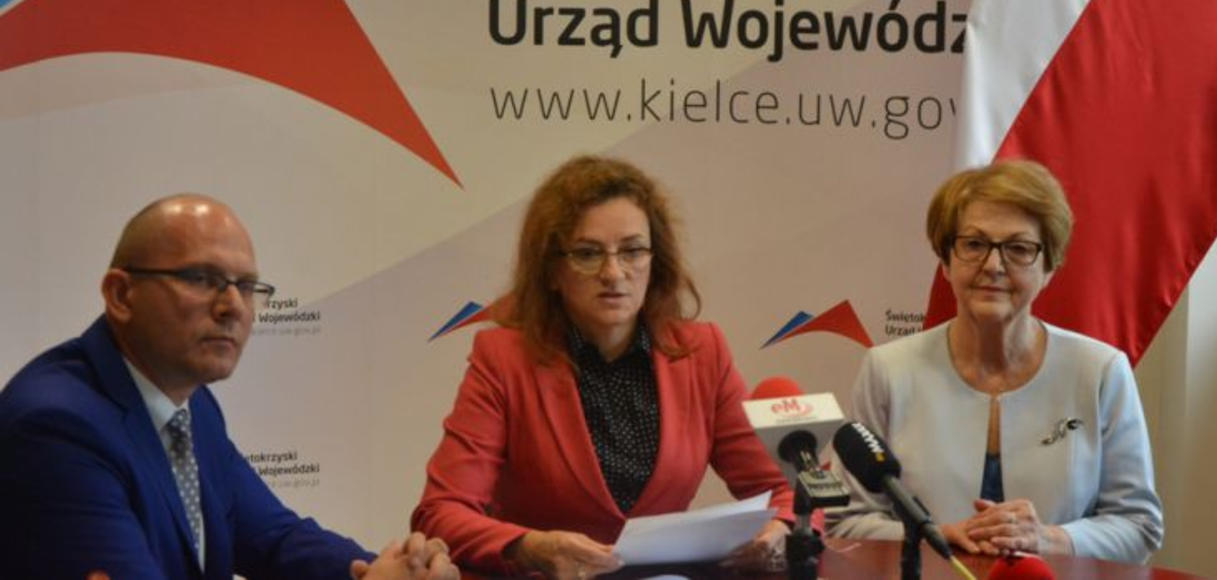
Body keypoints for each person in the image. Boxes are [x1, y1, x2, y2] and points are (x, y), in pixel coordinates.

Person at [0, 194, 459, 580]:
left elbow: (274, 538)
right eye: (202, 279)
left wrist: (391, 569)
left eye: (247, 286)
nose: (233, 306)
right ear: (121, 295)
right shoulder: (55, 428)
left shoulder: (191, 403)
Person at [411, 155, 795, 578]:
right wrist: (530, 546)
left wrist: (780, 528)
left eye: (632, 251)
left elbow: (784, 492)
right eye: (588, 254)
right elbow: (441, 512)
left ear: (655, 262)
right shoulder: (504, 359)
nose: (613, 273)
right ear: (552, 271)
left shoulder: (702, 353)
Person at [827, 160, 1164, 563]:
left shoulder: (1101, 371)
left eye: (1018, 249)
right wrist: (935, 536)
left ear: (1049, 268)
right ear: (946, 261)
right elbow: (845, 521)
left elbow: (1139, 526)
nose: (992, 265)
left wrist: (1047, 539)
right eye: (974, 244)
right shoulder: (887, 370)